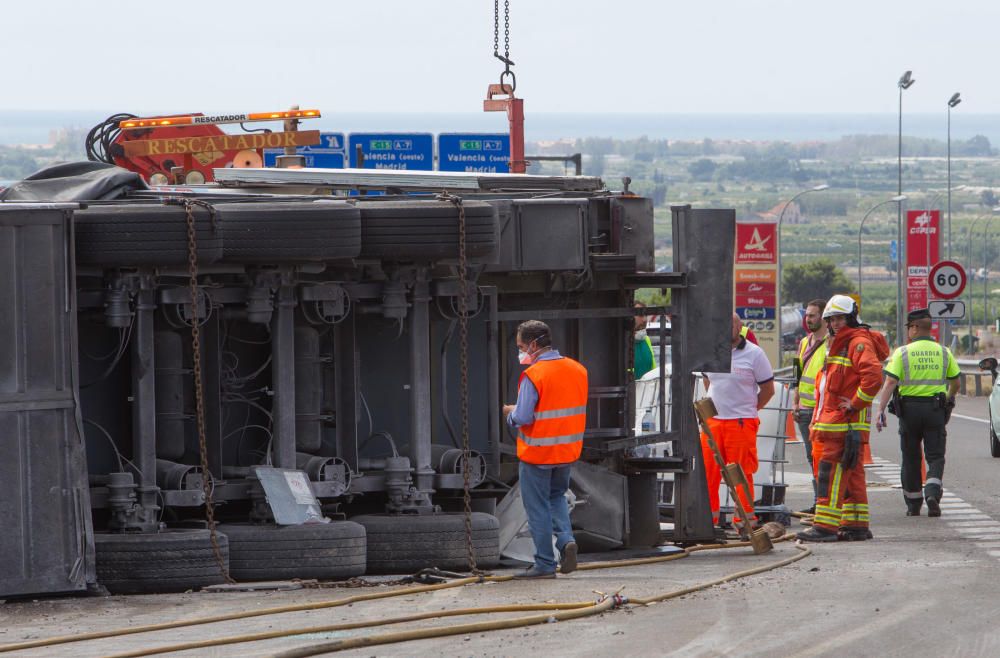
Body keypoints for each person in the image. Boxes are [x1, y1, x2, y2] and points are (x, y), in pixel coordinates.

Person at [798, 295, 889, 542]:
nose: (836, 323)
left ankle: (825, 528)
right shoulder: (840, 343)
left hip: (840, 424)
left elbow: (873, 378)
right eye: (832, 319)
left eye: (840, 318)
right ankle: (856, 525)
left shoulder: (857, 343)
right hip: (839, 423)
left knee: (830, 474)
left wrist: (855, 403)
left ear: (851, 318)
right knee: (852, 476)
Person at [503, 320, 588, 578]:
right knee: (556, 497)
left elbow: (524, 417)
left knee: (537, 507)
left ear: (533, 344)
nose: (520, 352)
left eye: (521, 346)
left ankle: (544, 564)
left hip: (537, 453)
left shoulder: (534, 375)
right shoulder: (578, 370)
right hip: (566, 451)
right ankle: (565, 540)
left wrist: (509, 413)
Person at [875, 308, 960, 517]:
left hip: (909, 411)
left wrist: (880, 410)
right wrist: (948, 399)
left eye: (908, 328)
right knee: (936, 456)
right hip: (935, 410)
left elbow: (890, 382)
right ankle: (932, 492)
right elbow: (956, 383)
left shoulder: (903, 352)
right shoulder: (944, 351)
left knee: (911, 457)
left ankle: (913, 504)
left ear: (914, 328)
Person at [700, 313, 775, 529]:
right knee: (708, 474)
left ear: (739, 326)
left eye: (731, 324)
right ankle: (709, 521)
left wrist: (749, 410)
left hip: (741, 423)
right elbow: (708, 380)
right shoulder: (711, 352)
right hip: (713, 423)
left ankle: (744, 522)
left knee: (740, 475)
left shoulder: (754, 354)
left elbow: (768, 390)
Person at [792, 299, 828, 513]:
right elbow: (797, 373)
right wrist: (795, 401)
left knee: (824, 457)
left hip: (823, 412)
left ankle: (826, 502)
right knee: (811, 457)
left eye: (812, 315)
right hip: (805, 410)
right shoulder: (804, 343)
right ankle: (818, 501)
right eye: (807, 315)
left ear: (823, 318)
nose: (808, 319)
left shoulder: (832, 344)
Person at [633, 302, 657, 379]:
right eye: (640, 315)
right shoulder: (621, 343)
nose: (645, 319)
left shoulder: (646, 340)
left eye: (646, 315)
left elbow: (652, 370)